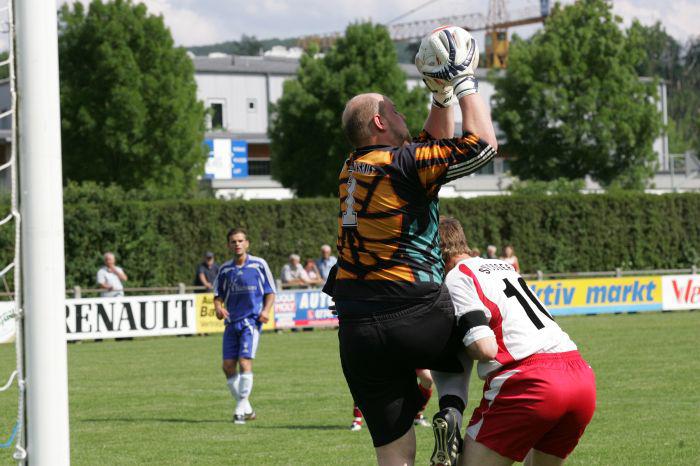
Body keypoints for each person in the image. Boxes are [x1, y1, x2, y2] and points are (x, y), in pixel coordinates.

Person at [326, 26, 498, 465]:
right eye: (397, 111)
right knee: (470, 334)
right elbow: (481, 147)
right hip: (417, 313)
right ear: (381, 122)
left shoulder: (352, 167)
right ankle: (453, 411)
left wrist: (438, 99)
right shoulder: (404, 164)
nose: (405, 117)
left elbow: (428, 146)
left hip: (358, 330)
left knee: (393, 451)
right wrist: (461, 83)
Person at [438, 217, 596, 466]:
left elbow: (485, 347)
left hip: (531, 382)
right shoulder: (502, 266)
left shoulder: (457, 277)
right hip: (581, 377)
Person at [214, 228, 276, 424]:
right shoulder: (225, 270)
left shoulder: (259, 265)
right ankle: (247, 408)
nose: (237, 244)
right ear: (228, 245)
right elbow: (218, 295)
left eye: (240, 241)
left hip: (251, 322)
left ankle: (239, 411)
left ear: (247, 243)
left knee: (244, 362)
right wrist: (218, 308)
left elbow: (271, 291)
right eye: (233, 241)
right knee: (227, 366)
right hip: (231, 323)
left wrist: (266, 311)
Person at [350, 370, 434, 432]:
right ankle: (357, 419)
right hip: (385, 348)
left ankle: (416, 413)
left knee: (427, 379)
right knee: (370, 377)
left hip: (413, 349)